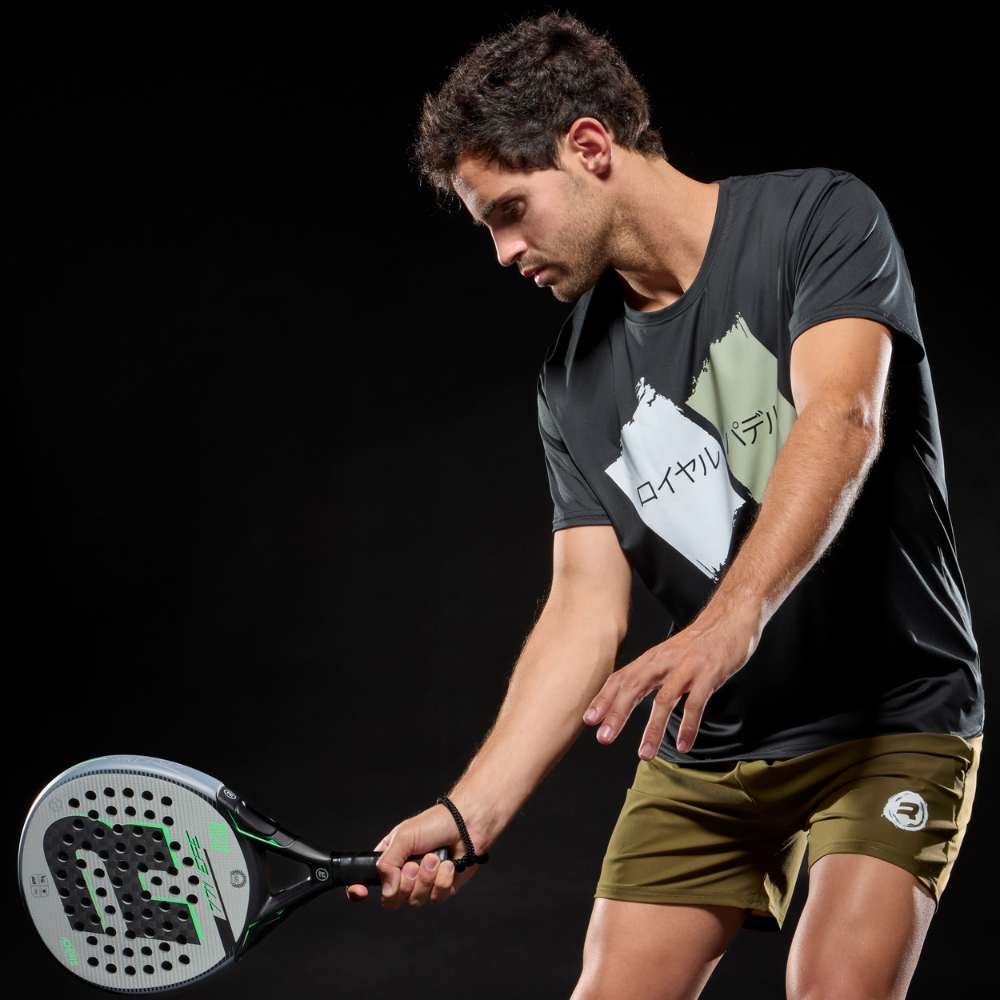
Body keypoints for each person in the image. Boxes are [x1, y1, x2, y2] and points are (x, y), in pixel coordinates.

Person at [347, 13, 984, 998]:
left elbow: (842, 413)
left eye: (511, 210)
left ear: (589, 147)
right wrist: (471, 810)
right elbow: (584, 610)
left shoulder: (815, 217)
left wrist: (734, 614)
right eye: (488, 228)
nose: (504, 251)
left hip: (889, 719)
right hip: (711, 743)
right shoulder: (571, 381)